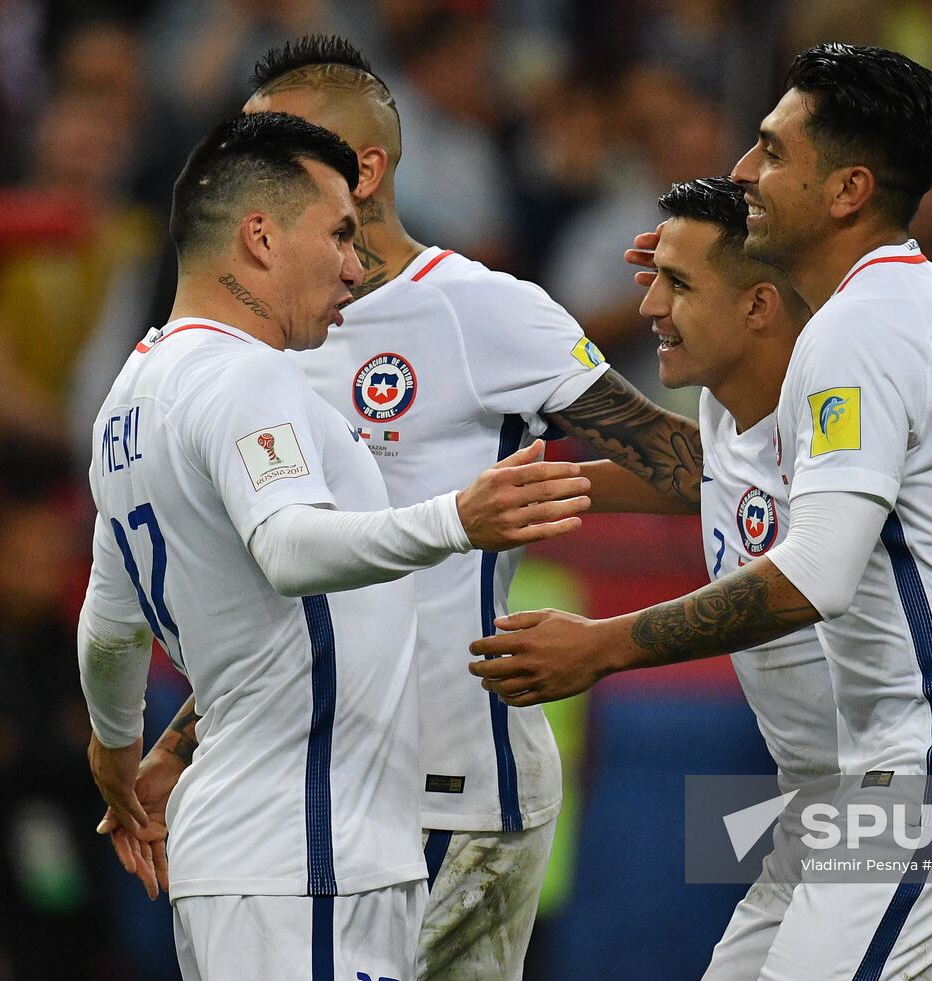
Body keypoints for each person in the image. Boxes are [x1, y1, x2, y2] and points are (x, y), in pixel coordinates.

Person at [471, 44, 932, 977]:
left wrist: (605, 645)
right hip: (915, 787)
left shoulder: (856, 334)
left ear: (847, 190)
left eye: (771, 151)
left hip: (931, 780)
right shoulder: (930, 311)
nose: (744, 171)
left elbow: (815, 575)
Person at [104, 36, 702, 981]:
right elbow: (293, 587)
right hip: (323, 793)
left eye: (279, 140)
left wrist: (829, 466)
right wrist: (187, 735)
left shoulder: (482, 310)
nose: (250, 161)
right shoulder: (265, 344)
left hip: (457, 793)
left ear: (366, 169)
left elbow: (683, 469)